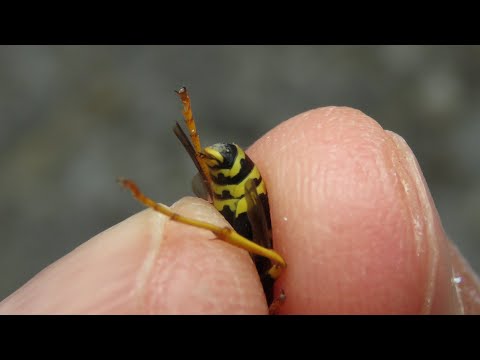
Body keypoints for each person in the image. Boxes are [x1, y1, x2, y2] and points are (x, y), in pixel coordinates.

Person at [0, 107, 478, 314]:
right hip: (245, 195)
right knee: (271, 261)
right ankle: (173, 201)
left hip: (240, 191)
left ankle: (177, 191)